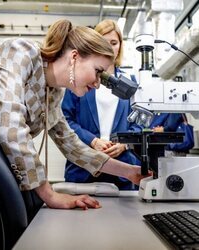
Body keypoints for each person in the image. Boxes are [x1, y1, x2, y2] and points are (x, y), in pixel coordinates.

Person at [0, 19, 149, 249]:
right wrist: (50, 195)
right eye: (98, 72)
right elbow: (11, 128)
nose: (97, 84)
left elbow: (72, 145)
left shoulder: (53, 92)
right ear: (74, 56)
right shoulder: (20, 53)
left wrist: (130, 172)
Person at [62, 19, 141, 190]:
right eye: (103, 43)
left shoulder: (130, 82)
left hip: (122, 164)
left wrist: (124, 143)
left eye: (113, 43)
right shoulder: (78, 78)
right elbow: (65, 119)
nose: (109, 48)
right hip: (83, 166)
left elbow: (140, 123)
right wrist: (92, 141)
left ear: (120, 45)